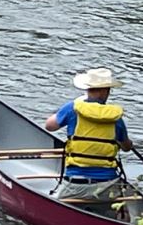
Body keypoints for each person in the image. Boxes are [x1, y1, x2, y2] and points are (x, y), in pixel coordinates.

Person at [42, 67, 135, 204]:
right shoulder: (115, 118)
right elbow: (126, 147)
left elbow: (49, 126)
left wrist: (63, 113)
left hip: (75, 183)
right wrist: (126, 142)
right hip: (107, 184)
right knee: (119, 210)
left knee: (54, 205)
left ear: (87, 89)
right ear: (105, 91)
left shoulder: (72, 108)